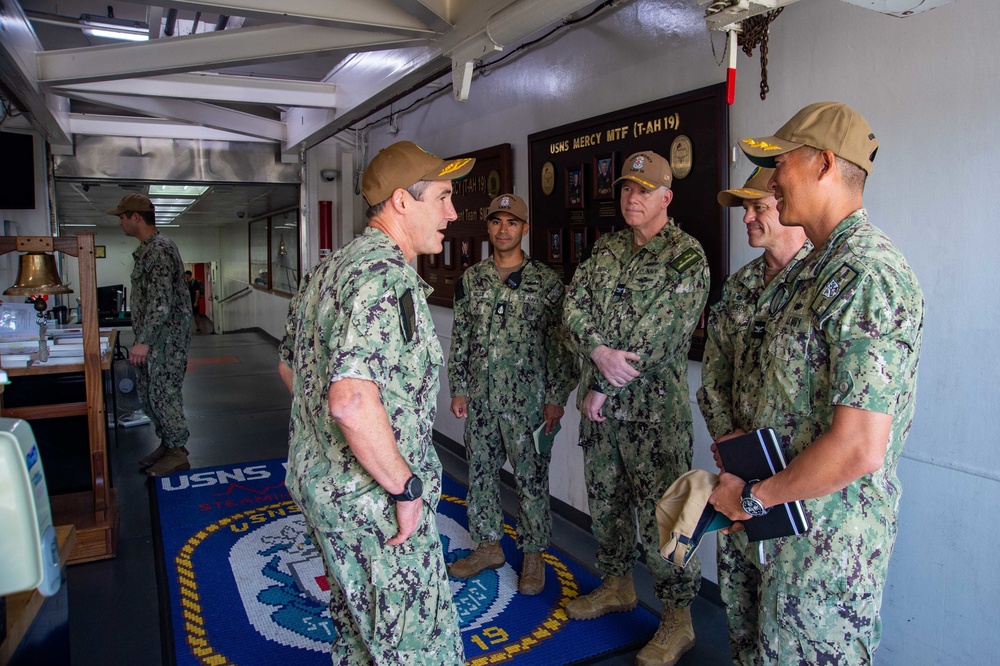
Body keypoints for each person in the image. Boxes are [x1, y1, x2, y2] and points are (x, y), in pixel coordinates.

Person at [708, 102, 924, 664]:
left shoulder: (866, 273)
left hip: (826, 549)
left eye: (784, 164)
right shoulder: (822, 270)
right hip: (786, 526)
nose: (774, 181)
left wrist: (753, 501)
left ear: (825, 163)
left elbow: (859, 447)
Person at [277, 140, 474, 665]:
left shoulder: (330, 269)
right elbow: (349, 401)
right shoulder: (385, 278)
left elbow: (291, 368)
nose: (452, 213)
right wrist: (403, 485)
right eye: (443, 197)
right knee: (422, 650)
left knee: (362, 642)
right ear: (401, 202)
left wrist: (336, 446)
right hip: (376, 507)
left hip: (327, 493)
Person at [562, 150, 709, 666]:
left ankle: (678, 619)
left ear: (666, 197)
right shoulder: (605, 253)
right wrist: (598, 351)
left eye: (643, 190)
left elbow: (660, 338)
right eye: (626, 188)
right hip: (604, 419)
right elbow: (572, 306)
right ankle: (618, 585)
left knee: (667, 523)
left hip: (653, 420)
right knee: (606, 505)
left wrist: (602, 381)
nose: (631, 197)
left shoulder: (686, 258)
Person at [695, 166, 811, 665]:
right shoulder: (738, 289)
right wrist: (729, 444)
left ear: (786, 208)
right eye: (745, 208)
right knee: (740, 613)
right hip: (739, 480)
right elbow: (714, 377)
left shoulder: (823, 284)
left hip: (801, 491)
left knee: (795, 630)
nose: (747, 217)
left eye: (758, 207)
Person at [447, 193, 578, 595]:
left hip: (529, 404)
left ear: (525, 229)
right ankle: (488, 546)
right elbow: (462, 339)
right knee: (481, 474)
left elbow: (562, 346)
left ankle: (534, 554)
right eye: (496, 222)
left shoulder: (546, 283)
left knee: (531, 479)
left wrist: (556, 397)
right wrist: (459, 387)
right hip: (483, 402)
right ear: (487, 228)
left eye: (512, 222)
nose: (503, 230)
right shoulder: (472, 279)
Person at [106, 193, 192, 477]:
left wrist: (143, 342)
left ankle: (178, 451)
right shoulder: (148, 248)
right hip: (154, 337)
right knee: (149, 393)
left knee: (163, 394)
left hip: (165, 340)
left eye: (122, 216)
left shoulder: (158, 249)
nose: (120, 222)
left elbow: (160, 301)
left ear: (136, 217)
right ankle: (167, 444)